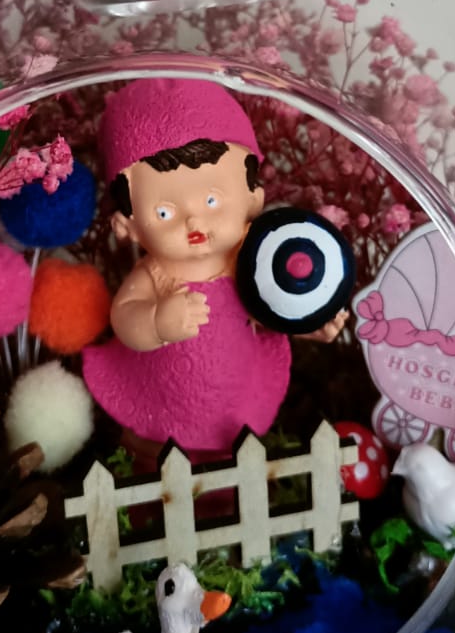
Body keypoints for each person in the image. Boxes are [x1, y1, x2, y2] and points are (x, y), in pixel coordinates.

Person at [83, 78, 344, 458]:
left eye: (211, 200)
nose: (194, 222)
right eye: (164, 212)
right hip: (160, 393)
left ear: (253, 198)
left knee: (236, 455)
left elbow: (272, 310)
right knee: (152, 457)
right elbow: (124, 317)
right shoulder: (155, 273)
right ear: (128, 225)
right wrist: (155, 322)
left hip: (236, 391)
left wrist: (309, 322)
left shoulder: (251, 261)